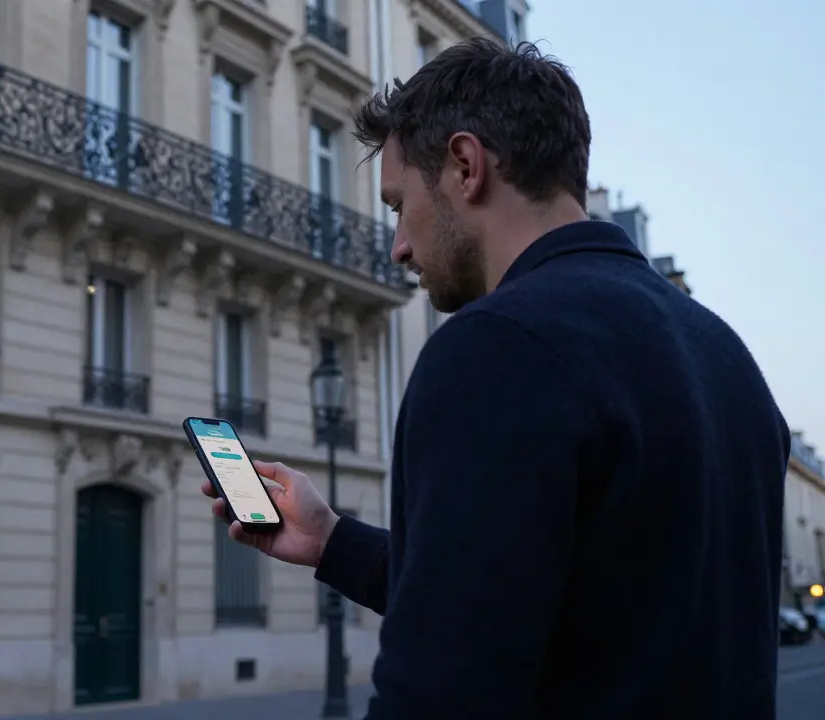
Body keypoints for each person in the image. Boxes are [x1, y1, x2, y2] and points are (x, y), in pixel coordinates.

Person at [204, 38, 789, 719]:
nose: (397, 245)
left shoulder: (495, 349)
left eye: (398, 205)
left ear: (464, 165)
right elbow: (572, 608)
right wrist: (335, 541)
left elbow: (442, 693)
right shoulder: (727, 356)